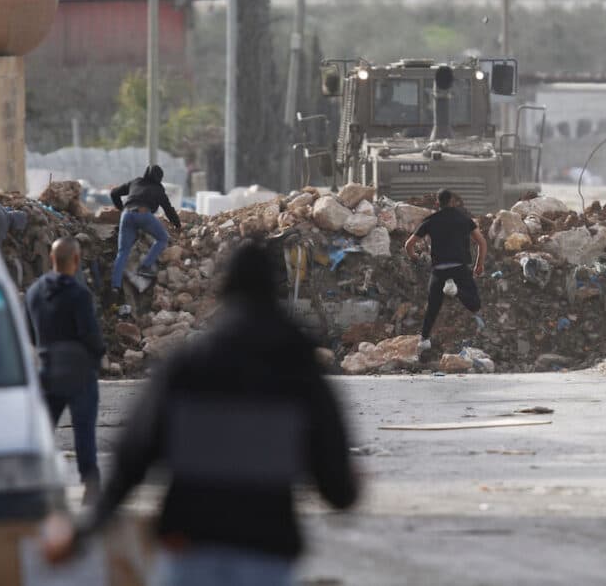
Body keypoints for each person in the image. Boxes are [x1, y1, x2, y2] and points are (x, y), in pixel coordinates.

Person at [42, 241, 359, 586]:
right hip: (267, 556)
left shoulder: (189, 366)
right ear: (274, 291)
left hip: (190, 553)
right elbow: (338, 489)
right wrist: (349, 484)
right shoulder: (302, 374)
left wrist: (83, 530)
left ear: (224, 291)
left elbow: (132, 459)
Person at [25, 237, 106, 504]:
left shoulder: (34, 292)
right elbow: (90, 335)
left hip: (47, 370)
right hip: (79, 373)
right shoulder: (80, 295)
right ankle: (90, 486)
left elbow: (29, 334)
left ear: (51, 259)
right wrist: (98, 356)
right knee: (83, 431)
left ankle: (37, 484)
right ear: (76, 260)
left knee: (44, 432)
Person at [404, 188, 488, 352]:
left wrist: (414, 257)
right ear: (453, 202)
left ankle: (424, 340)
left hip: (439, 270)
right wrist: (479, 264)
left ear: (438, 203)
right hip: (459, 268)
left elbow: (409, 245)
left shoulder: (431, 220)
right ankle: (455, 291)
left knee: (433, 308)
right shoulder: (464, 219)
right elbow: (482, 242)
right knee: (474, 303)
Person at [110, 165, 181, 295]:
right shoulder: (158, 189)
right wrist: (177, 225)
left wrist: (122, 209)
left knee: (122, 252)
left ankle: (115, 286)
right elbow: (168, 209)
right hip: (143, 214)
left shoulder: (136, 181)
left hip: (126, 215)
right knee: (162, 238)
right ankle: (145, 266)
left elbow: (114, 193)